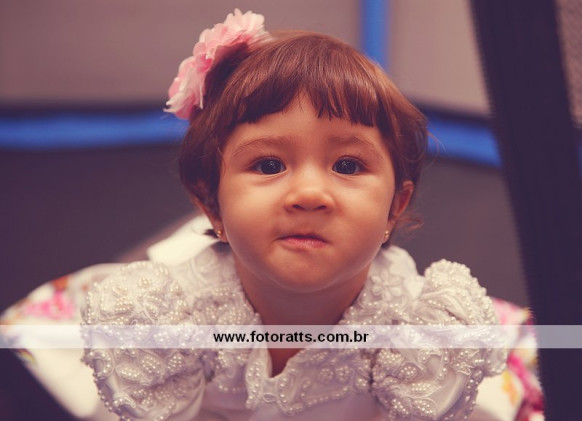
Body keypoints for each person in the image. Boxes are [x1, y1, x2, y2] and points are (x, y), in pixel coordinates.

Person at [66, 9, 509, 421]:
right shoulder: (178, 315)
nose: (309, 194)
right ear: (211, 205)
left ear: (395, 206)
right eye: (268, 165)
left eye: (348, 165)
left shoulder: (412, 329)